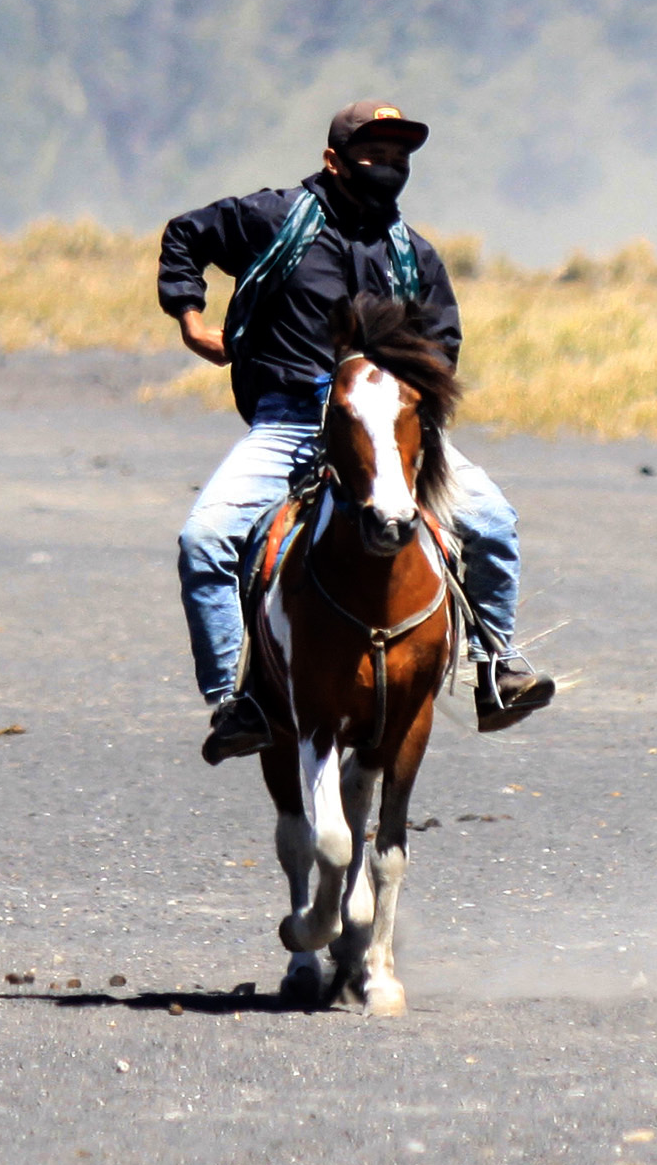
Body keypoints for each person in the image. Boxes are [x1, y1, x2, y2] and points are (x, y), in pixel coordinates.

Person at [158, 100, 556, 763]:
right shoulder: (273, 218)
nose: (390, 165)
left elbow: (442, 344)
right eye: (376, 152)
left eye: (400, 155)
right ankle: (236, 699)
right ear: (334, 159)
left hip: (386, 431)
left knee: (490, 518)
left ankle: (496, 665)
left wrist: (405, 410)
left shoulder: (415, 255)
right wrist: (191, 318)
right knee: (205, 540)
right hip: (290, 419)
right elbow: (185, 235)